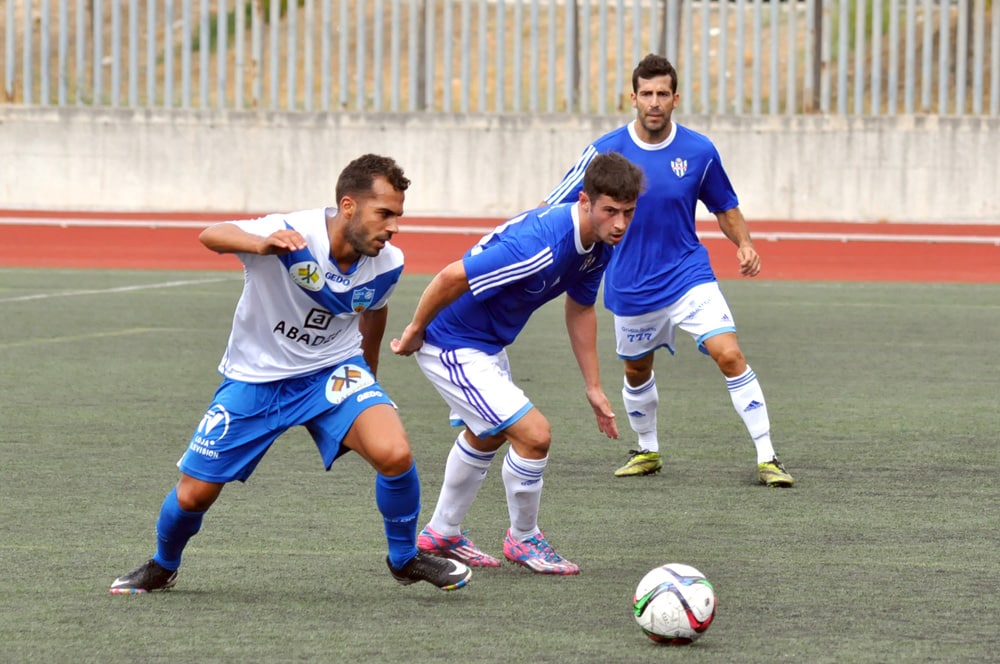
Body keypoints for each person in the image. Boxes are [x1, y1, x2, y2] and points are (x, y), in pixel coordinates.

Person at [109, 154, 472, 594]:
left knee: (394, 453)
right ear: (349, 206)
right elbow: (211, 234)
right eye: (385, 214)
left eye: (398, 215)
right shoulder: (292, 233)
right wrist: (259, 245)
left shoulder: (388, 262)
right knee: (193, 495)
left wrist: (369, 375)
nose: (393, 226)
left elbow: (374, 311)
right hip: (256, 379)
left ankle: (404, 558)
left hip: (332, 374)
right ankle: (162, 565)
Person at [543, 54, 794, 487]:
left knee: (729, 354)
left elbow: (725, 206)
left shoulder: (699, 151)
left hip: (687, 274)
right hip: (629, 283)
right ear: (633, 98)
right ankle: (648, 449)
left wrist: (745, 244)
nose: (654, 102)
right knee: (637, 370)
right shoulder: (605, 152)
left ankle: (768, 456)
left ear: (676, 98)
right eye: (646, 94)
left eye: (663, 94)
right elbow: (557, 207)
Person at [391, 152, 645, 574]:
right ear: (585, 201)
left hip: (486, 344)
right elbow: (452, 276)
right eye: (610, 211)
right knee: (534, 435)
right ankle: (523, 540)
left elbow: (581, 309)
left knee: (487, 433)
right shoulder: (540, 247)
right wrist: (417, 328)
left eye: (628, 213)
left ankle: (442, 532)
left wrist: (594, 387)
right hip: (451, 341)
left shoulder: (599, 246)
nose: (620, 223)